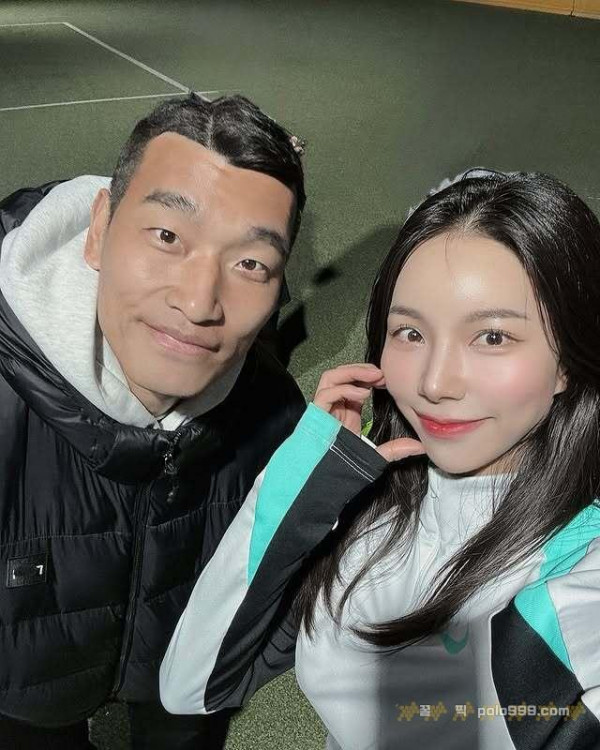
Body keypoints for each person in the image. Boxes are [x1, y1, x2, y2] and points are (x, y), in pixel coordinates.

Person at [160, 170, 600, 749]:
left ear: (568, 359)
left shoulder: (577, 582)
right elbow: (191, 687)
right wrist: (304, 479)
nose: (434, 384)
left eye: (492, 337)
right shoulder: (363, 504)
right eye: (410, 333)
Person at [0, 93, 306, 749]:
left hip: (180, 689)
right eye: (167, 237)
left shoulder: (277, 416)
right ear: (99, 228)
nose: (198, 304)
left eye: (250, 264)